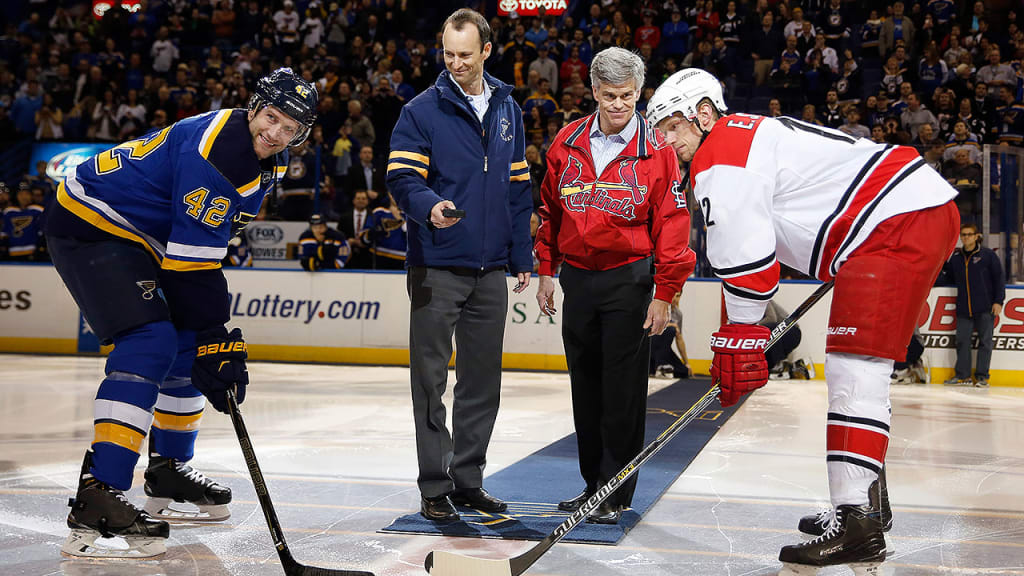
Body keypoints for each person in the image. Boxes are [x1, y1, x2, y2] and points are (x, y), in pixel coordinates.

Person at [647, 68, 959, 565]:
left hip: (895, 222)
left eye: (672, 127)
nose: (666, 141)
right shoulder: (742, 136)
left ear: (704, 114)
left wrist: (741, 335)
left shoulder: (721, 154)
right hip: (901, 213)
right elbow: (757, 255)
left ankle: (857, 519)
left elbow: (749, 267)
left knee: (854, 369)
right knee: (859, 373)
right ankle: (867, 506)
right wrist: (741, 330)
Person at [43, 68, 316, 559]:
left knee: (189, 344)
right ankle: (98, 493)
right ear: (254, 107)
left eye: (290, 128)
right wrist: (218, 335)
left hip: (143, 235)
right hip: (91, 222)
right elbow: (192, 269)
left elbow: (195, 262)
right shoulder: (223, 155)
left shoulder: (259, 157)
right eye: (271, 117)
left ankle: (167, 468)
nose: (276, 133)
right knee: (152, 341)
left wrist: (210, 339)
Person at [534, 47, 696, 525]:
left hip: (630, 280)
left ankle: (616, 491)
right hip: (577, 280)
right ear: (594, 92)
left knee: (622, 391)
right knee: (585, 387)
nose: (619, 105)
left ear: (639, 92)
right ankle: (592, 486)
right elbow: (550, 211)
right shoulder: (567, 142)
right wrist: (547, 268)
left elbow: (672, 223)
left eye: (627, 96)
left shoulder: (660, 153)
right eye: (609, 96)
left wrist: (665, 292)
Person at [386, 8, 533, 523]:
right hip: (436, 267)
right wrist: (430, 206)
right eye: (448, 54)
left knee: (481, 383)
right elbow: (403, 179)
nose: (456, 64)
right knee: (430, 381)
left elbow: (519, 190)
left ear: (487, 50)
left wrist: (521, 256)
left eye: (466, 55)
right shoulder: (421, 111)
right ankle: (434, 484)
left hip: (491, 270)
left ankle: (469, 481)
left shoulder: (508, 108)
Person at [941, 223, 1004, 387]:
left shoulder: (988, 256)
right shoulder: (956, 258)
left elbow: (999, 279)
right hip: (963, 308)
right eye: (963, 235)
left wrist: (998, 301)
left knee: (985, 342)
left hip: (985, 307)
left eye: (969, 234)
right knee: (962, 341)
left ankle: (982, 377)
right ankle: (963, 376)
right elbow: (948, 278)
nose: (966, 237)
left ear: (977, 236)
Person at [649, 291, 690, 379]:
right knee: (670, 330)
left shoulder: (678, 314)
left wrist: (686, 362)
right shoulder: (658, 307)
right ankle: (659, 365)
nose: (675, 299)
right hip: (650, 345)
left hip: (664, 349)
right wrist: (672, 325)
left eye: (678, 296)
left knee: (683, 371)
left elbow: (679, 338)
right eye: (673, 295)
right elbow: (650, 327)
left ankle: (658, 367)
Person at [360, 194, 406, 270]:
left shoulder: (409, 215)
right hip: (380, 255)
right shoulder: (379, 212)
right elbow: (363, 239)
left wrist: (401, 219)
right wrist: (372, 233)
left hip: (402, 258)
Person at [2, 182, 45, 261]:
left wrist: (39, 249)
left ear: (31, 196)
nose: (24, 197)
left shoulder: (38, 210)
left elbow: (42, 233)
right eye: (21, 194)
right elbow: (4, 234)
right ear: (16, 196)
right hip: (12, 254)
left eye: (27, 194)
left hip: (33, 254)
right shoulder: (8, 212)